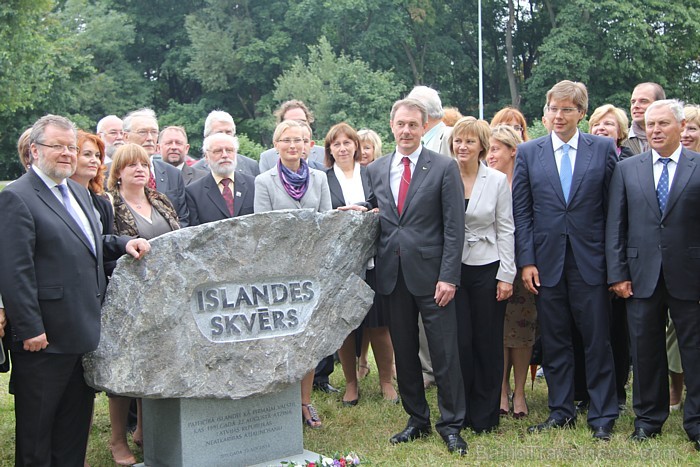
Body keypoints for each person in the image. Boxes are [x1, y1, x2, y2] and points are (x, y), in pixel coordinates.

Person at [0, 114, 150, 466]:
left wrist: (125, 243)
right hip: (44, 340)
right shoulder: (18, 198)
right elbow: (14, 270)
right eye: (58, 147)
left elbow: (91, 243)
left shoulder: (79, 193)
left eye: (71, 147)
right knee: (37, 437)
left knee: (73, 432)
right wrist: (30, 327)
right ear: (35, 150)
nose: (67, 154)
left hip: (82, 332)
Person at [340, 98, 467, 455]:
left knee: (444, 352)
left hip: (433, 277)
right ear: (392, 126)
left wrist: (449, 277)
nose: (407, 130)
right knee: (406, 353)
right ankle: (417, 419)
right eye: (401, 124)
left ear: (424, 126)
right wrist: (361, 209)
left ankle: (452, 423)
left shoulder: (443, 167)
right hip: (392, 275)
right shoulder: (377, 168)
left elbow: (455, 227)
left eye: (414, 124)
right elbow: (379, 208)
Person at [513, 80, 619, 440]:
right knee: (556, 340)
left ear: (581, 114)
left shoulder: (603, 149)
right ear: (545, 113)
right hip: (546, 263)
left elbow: (613, 210)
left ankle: (603, 414)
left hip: (591, 262)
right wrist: (526, 261)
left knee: (596, 339)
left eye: (567, 109)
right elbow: (522, 212)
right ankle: (561, 410)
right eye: (553, 109)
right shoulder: (529, 152)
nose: (559, 116)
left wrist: (613, 263)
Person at [607, 99, 700, 446]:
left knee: (694, 350)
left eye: (663, 124)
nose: (656, 131)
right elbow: (616, 224)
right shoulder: (628, 168)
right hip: (640, 274)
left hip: (690, 275)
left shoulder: (698, 166)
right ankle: (647, 420)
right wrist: (617, 273)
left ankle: (697, 421)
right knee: (644, 350)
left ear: (680, 127)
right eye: (650, 125)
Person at [105, 143, 180, 465]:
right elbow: (104, 249)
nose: (139, 169)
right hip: (127, 298)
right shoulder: (108, 204)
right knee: (124, 369)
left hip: (165, 295)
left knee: (154, 362)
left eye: (144, 164)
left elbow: (180, 238)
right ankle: (117, 439)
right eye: (131, 165)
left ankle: (144, 430)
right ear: (118, 172)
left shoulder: (160, 199)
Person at [254, 119, 332, 429]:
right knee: (280, 337)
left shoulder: (320, 179)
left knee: (308, 336)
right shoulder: (264, 181)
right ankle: (277, 403)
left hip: (311, 268)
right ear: (276, 145)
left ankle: (304, 400)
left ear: (309, 146)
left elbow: (325, 222)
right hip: (278, 271)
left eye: (300, 140)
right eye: (287, 140)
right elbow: (262, 227)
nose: (293, 145)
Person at [324, 123, 398, 406]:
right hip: (339, 263)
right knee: (345, 327)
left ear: (356, 146)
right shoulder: (324, 178)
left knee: (379, 324)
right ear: (330, 150)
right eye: (336, 144)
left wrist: (370, 210)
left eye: (347, 143)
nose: (343, 148)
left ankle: (387, 382)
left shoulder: (372, 173)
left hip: (374, 258)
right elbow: (319, 211)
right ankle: (351, 384)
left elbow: (387, 206)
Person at [450, 118, 515, 433]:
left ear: (482, 147)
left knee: (487, 342)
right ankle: (460, 412)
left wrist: (507, 274)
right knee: (460, 341)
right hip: (453, 270)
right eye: (458, 141)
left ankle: (486, 415)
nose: (463, 147)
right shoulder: (444, 176)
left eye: (470, 142)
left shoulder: (497, 180)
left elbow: (506, 228)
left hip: (489, 267)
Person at [487, 124, 537, 419]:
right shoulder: (485, 180)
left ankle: (519, 392)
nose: (490, 155)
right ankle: (501, 388)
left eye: (495, 149)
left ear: (512, 151)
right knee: (499, 330)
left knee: (523, 328)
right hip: (491, 265)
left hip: (522, 264)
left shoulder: (525, 181)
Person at [122, 108, 190, 226]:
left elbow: (183, 218)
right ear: (126, 137)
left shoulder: (172, 174)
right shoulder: (110, 173)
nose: (149, 138)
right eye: (142, 132)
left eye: (154, 132)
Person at [186, 132, 255, 225]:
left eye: (229, 150)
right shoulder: (193, 193)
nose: (225, 155)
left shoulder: (254, 184)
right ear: (206, 157)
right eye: (218, 151)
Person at [258, 100, 325, 172]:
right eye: (291, 122)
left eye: (302, 121)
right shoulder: (267, 158)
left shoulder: (324, 155)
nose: (297, 125)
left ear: (309, 122)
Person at [193, 110, 260, 177]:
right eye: (219, 133)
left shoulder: (251, 166)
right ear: (207, 137)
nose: (224, 136)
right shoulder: (195, 172)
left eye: (228, 132)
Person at [623, 82, 666, 155]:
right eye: (633, 102)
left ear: (659, 104)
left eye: (643, 101)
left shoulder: (674, 138)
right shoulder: (620, 139)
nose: (635, 106)